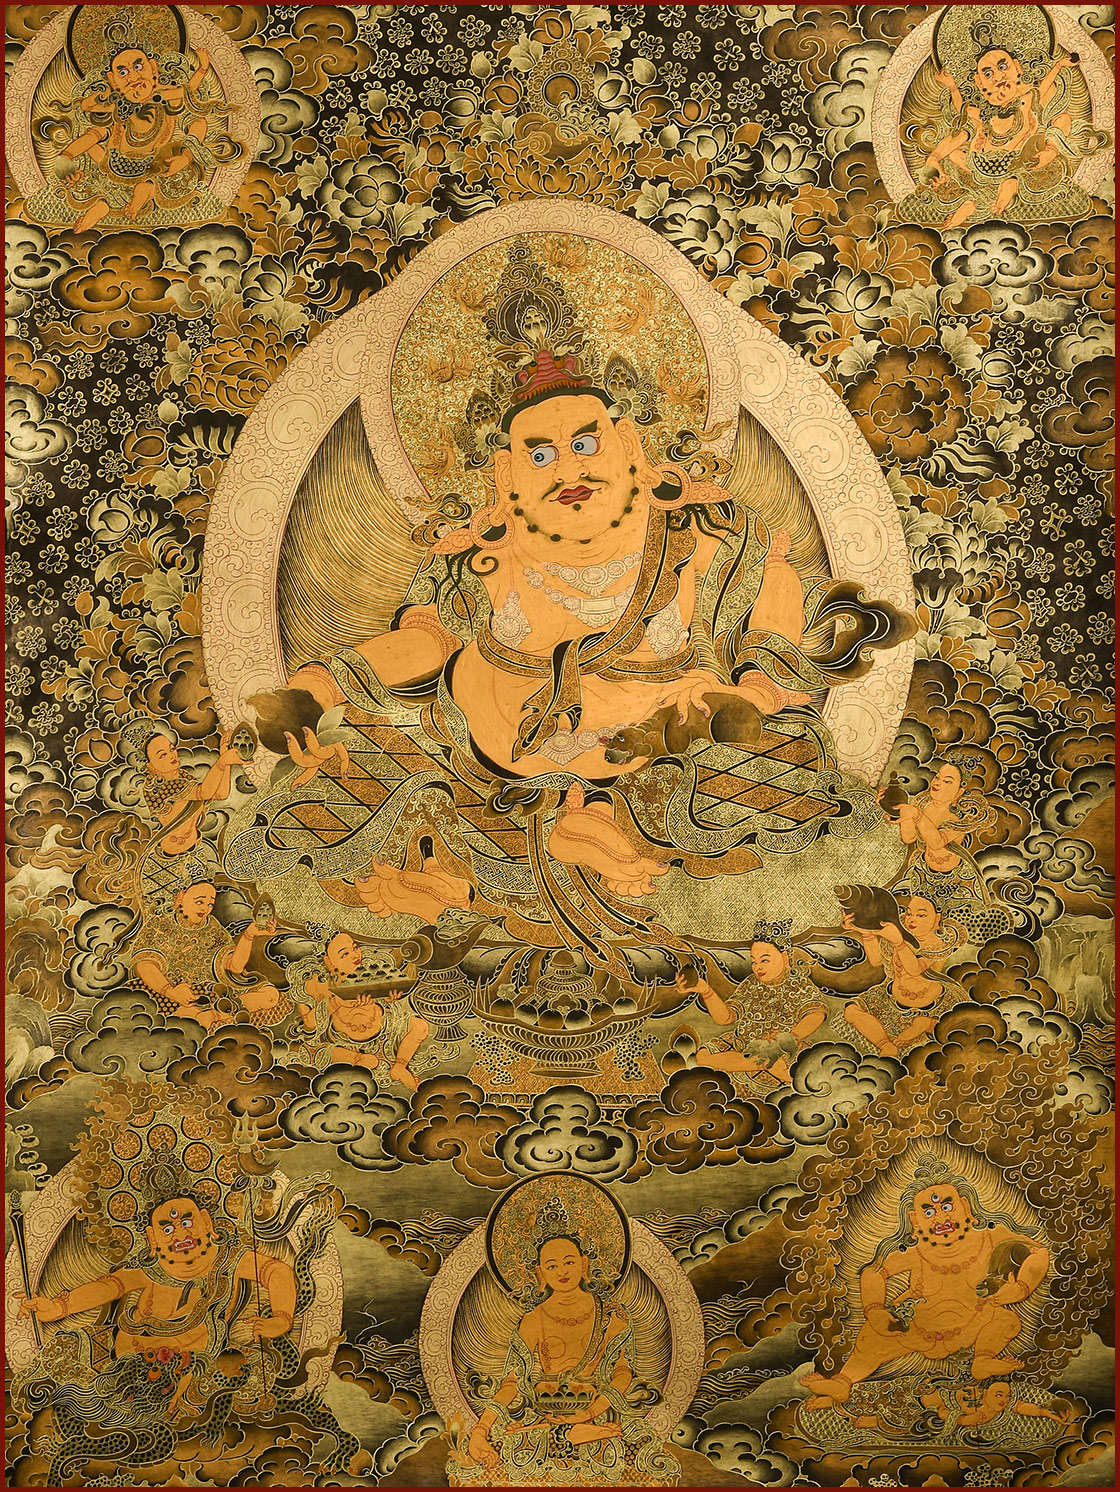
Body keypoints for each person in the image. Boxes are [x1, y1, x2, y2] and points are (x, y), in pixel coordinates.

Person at [236, 333, 911, 934]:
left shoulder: (703, 528)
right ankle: (531, 850)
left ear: (628, 445)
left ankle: (541, 849)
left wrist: (754, 692)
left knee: (787, 758)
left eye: (585, 444)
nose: (568, 469)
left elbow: (771, 595)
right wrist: (316, 689)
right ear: (505, 473)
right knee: (354, 758)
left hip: (654, 749)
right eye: (541, 454)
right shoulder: (481, 555)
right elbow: (427, 640)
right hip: (489, 754)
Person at [18, 1190, 296, 1418]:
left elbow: (277, 1271)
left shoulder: (230, 1260)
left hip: (190, 1362)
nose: (180, 1235)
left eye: (187, 1223)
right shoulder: (149, 1267)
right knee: (64, 1352)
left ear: (206, 1222)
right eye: (167, 1228)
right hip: (124, 1355)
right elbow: (109, 1286)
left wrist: (281, 1318)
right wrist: (58, 1307)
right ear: (152, 1238)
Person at [802, 1156, 1049, 1408]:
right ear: (915, 1220)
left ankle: (983, 1360)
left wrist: (1022, 1287)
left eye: (947, 1206)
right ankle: (843, 1382)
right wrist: (875, 1310)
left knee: (1007, 1321)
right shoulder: (913, 1252)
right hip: (915, 1329)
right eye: (928, 1212)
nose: (940, 1218)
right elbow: (874, 1272)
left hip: (975, 1322)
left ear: (965, 1205)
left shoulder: (991, 1237)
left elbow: (1039, 1252)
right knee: (871, 1336)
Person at [461, 1231, 672, 1483]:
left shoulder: (612, 1314)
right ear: (540, 1274)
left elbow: (623, 1373)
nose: (562, 1271)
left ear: (584, 1264)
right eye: (552, 1266)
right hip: (545, 1412)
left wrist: (589, 1413)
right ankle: (572, 1433)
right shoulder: (533, 1318)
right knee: (512, 1444)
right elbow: (512, 1382)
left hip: (594, 1409)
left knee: (634, 1446)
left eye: (569, 1262)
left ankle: (582, 1431)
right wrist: (481, 1429)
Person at [49, 30, 237, 233]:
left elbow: (188, 93)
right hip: (112, 164)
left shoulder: (163, 96)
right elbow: (86, 107)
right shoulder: (119, 103)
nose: (133, 76)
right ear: (113, 80)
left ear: (153, 67)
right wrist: (67, 158)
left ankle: (131, 197)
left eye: (138, 66)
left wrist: (202, 69)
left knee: (179, 166)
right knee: (94, 135)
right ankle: (102, 203)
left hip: (151, 167)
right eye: (123, 73)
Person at [682, 920, 828, 1086]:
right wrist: (706, 991)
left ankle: (766, 1064)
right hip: (742, 1044)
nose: (757, 967)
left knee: (784, 1063)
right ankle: (759, 1063)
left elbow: (816, 1014)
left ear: (784, 957)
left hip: (780, 1046)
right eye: (753, 961)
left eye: (764, 960)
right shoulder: (751, 982)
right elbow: (726, 1018)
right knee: (702, 1056)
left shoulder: (797, 982)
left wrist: (789, 1037)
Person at [287, 928, 429, 1089]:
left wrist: (389, 997)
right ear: (329, 962)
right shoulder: (326, 986)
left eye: (355, 948)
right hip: (346, 1041)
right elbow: (311, 1023)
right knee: (366, 1060)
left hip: (384, 1035)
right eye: (344, 954)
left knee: (420, 1026)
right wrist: (339, 1003)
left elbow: (386, 1002)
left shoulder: (371, 972)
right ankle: (360, 1061)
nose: (355, 955)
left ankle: (399, 1067)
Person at [131, 879, 283, 1029]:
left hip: (210, 991)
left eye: (210, 904)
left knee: (270, 995)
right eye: (199, 901)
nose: (205, 908)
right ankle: (209, 1016)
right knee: (172, 1011)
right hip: (168, 991)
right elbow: (144, 965)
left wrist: (249, 935)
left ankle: (212, 1016)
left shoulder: (211, 925)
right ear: (181, 897)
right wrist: (171, 991)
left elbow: (234, 967)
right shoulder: (161, 923)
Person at [837, 884, 961, 1058]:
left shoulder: (939, 945)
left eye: (921, 915)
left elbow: (914, 970)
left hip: (929, 1005)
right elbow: (876, 961)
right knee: (851, 1012)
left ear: (937, 918)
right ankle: (886, 1044)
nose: (912, 920)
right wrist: (866, 932)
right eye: (909, 913)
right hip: (892, 998)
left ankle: (926, 1024)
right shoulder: (902, 934)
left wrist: (899, 943)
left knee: (949, 1028)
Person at [141, 728, 244, 857]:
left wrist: (225, 759)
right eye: (163, 755)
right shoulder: (160, 788)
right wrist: (221, 762)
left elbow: (220, 794)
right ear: (151, 766)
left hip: (197, 846)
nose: (172, 755)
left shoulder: (183, 777)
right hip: (169, 854)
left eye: (172, 749)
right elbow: (204, 793)